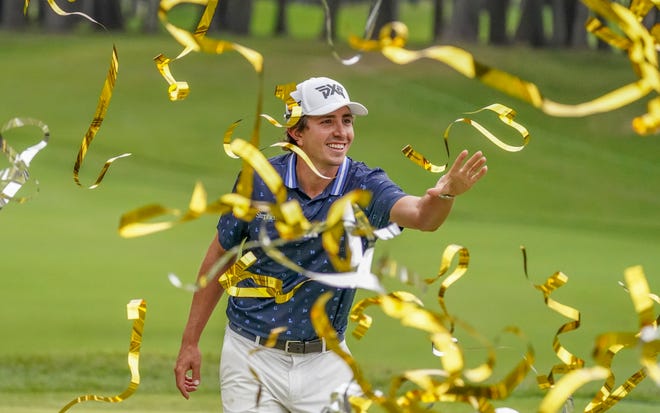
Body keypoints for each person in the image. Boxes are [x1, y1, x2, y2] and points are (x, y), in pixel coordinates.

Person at [174, 76, 488, 412]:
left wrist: (446, 193)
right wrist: (190, 342)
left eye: (347, 121)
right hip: (251, 359)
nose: (342, 132)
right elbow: (221, 254)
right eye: (327, 121)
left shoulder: (365, 185)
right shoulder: (259, 180)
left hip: (326, 362)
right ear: (297, 131)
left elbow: (423, 217)